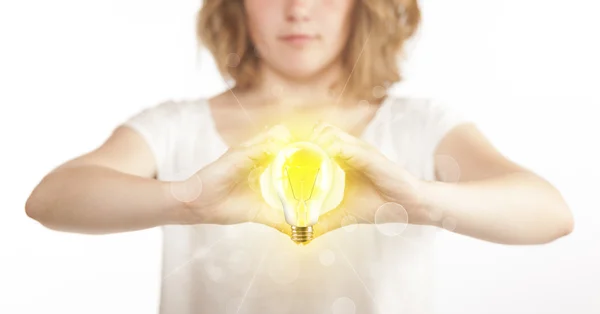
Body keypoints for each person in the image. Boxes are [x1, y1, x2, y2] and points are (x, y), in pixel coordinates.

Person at [24, 0, 574, 313]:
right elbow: (51, 199)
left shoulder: (420, 124)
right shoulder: (176, 126)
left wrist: (421, 200)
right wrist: (188, 198)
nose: (298, 10)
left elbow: (549, 213)